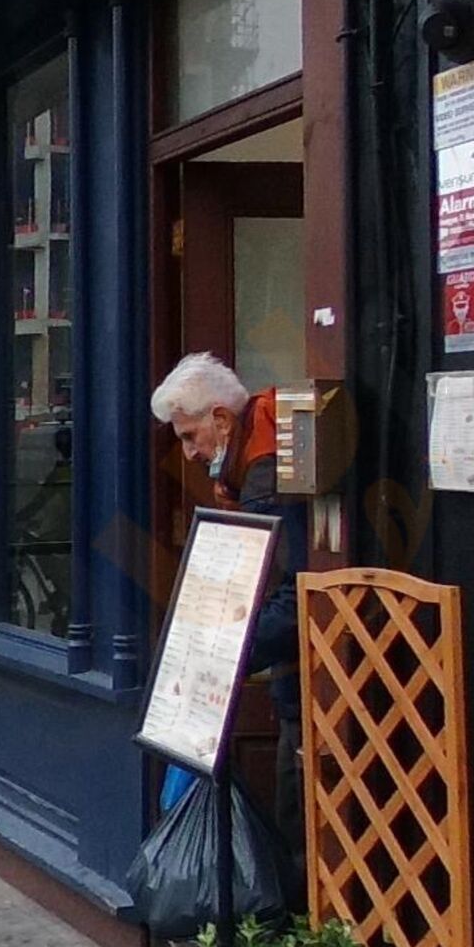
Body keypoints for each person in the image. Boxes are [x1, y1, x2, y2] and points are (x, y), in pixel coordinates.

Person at [148, 353, 303, 834]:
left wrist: (224, 655)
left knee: (297, 806)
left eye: (189, 436)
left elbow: (293, 590)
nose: (189, 453)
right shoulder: (253, 462)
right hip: (299, 667)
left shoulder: (264, 474)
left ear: (221, 419)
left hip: (309, 676)